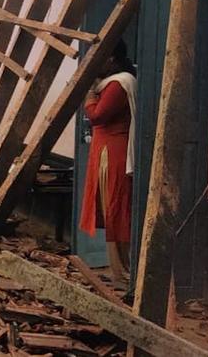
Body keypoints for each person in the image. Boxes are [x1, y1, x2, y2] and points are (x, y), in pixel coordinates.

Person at [80, 41, 137, 288]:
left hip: (112, 154)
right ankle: (118, 271)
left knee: (117, 210)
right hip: (107, 150)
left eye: (100, 59)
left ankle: (123, 272)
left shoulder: (118, 84)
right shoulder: (115, 83)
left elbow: (97, 116)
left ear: (112, 60)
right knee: (111, 209)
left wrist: (90, 97)